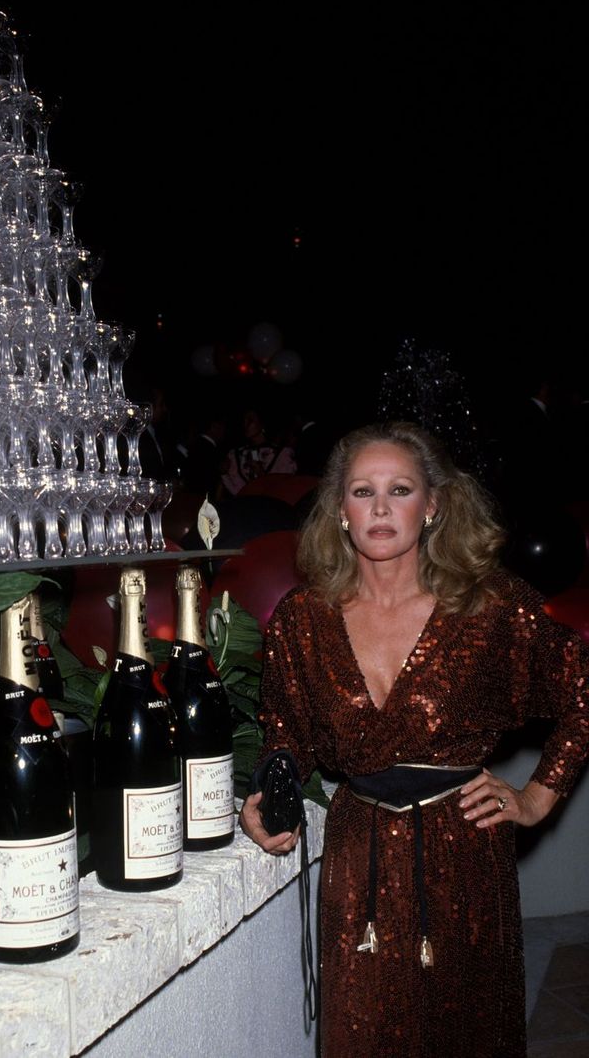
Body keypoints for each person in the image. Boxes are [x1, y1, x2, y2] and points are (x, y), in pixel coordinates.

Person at [239, 420, 589, 1058]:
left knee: (467, 1034)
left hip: (465, 858)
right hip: (358, 858)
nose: (379, 507)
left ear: (432, 505)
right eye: (361, 491)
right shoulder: (302, 619)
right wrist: (269, 792)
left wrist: (538, 797)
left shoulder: (489, 610)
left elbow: (582, 693)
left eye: (399, 490)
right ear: (340, 511)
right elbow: (285, 734)